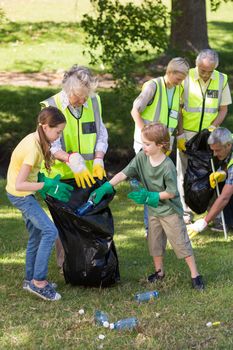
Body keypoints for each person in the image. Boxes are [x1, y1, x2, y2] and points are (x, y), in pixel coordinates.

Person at [89, 122, 204, 291]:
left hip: (169, 211)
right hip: (153, 210)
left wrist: (151, 196)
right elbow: (124, 173)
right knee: (154, 242)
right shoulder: (142, 157)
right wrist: (106, 186)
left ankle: (195, 275)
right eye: (143, 143)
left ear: (161, 145)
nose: (144, 147)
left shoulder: (167, 166)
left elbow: (172, 192)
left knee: (181, 243)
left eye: (147, 144)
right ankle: (159, 272)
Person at [40, 65, 108, 267]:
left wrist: (98, 158)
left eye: (86, 96)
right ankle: (66, 266)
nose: (83, 101)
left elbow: (101, 132)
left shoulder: (94, 101)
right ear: (68, 91)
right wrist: (70, 160)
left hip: (87, 175)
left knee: (87, 219)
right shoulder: (51, 106)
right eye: (79, 97)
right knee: (63, 223)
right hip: (60, 177)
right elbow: (51, 145)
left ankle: (86, 263)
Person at [6, 107, 73, 301]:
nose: (58, 136)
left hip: (21, 192)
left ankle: (29, 280)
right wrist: (46, 184)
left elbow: (27, 175)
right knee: (50, 232)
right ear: (45, 127)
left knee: (36, 233)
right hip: (21, 195)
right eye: (57, 132)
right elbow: (20, 183)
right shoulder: (33, 149)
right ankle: (39, 282)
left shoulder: (36, 138)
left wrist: (41, 179)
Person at [131, 57, 190, 233]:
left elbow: (177, 113)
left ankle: (161, 225)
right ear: (170, 72)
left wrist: (180, 136)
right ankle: (151, 229)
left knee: (164, 188)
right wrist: (145, 136)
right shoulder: (153, 86)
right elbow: (135, 110)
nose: (181, 82)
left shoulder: (178, 88)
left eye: (183, 79)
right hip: (148, 146)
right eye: (178, 78)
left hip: (165, 146)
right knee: (151, 188)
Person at [177, 49, 232, 223]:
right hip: (188, 134)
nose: (206, 74)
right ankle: (185, 212)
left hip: (210, 135)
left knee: (211, 173)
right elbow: (177, 109)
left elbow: (223, 109)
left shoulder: (221, 79)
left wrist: (212, 127)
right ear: (196, 64)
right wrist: (179, 135)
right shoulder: (185, 77)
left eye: (210, 71)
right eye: (203, 70)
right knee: (183, 173)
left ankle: (210, 213)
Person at [187, 127, 233, 238]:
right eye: (213, 150)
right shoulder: (229, 140)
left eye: (217, 150)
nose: (215, 154)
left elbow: (224, 198)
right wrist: (224, 173)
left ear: (228, 145)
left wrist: (203, 223)